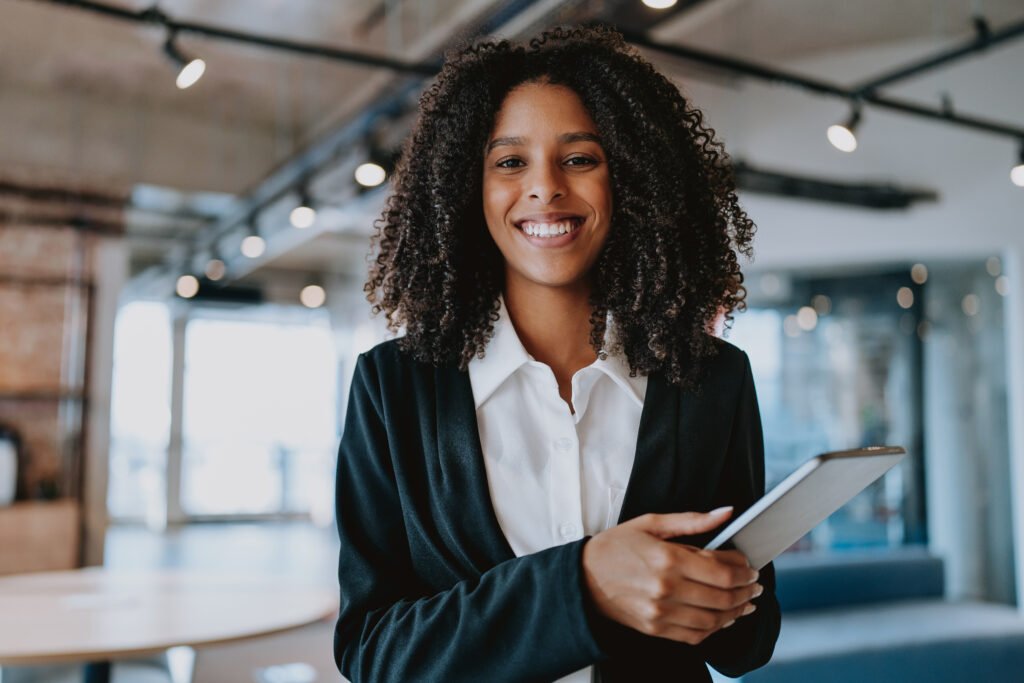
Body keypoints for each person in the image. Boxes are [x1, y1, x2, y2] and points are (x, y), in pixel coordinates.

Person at [333, 26, 781, 683]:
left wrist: (715, 594)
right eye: (510, 161)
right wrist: (584, 583)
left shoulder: (711, 377)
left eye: (580, 158)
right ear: (468, 185)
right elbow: (373, 649)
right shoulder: (394, 386)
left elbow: (749, 645)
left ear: (629, 178)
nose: (544, 187)